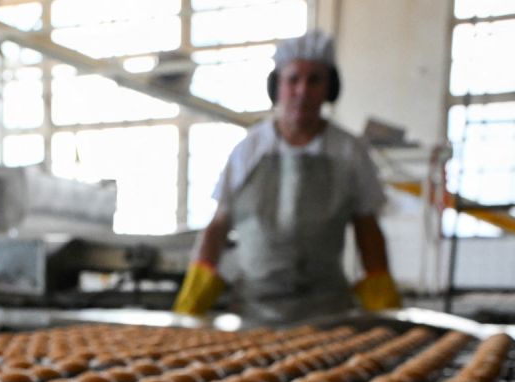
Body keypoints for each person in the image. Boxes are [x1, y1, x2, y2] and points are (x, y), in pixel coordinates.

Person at [172, 30, 401, 321]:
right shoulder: (248, 150)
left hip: (328, 313)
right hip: (253, 313)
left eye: (314, 80)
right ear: (277, 86)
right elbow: (217, 227)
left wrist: (384, 305)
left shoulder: (350, 153)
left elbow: (368, 233)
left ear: (330, 88)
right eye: (293, 79)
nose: (303, 91)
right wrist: (192, 300)